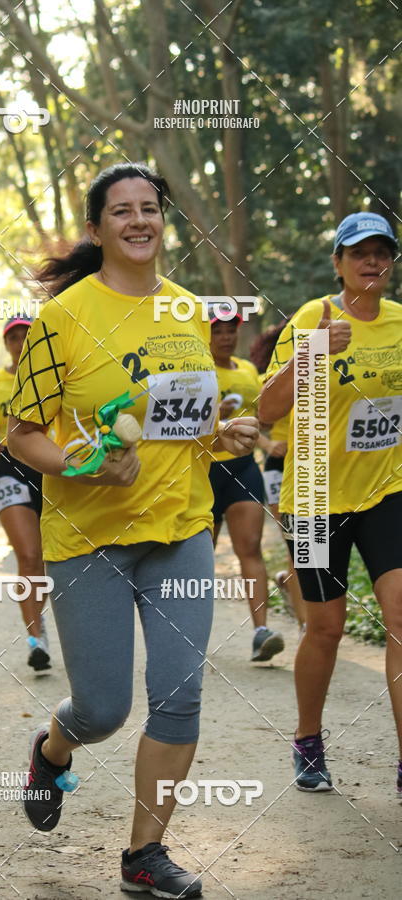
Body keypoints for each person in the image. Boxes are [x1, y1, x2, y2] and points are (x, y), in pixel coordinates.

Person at [6, 163, 259, 898]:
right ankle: (53, 750)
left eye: (151, 208)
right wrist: (84, 467)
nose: (140, 221)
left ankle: (145, 855)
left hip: (179, 529)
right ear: (97, 230)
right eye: (122, 211)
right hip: (89, 540)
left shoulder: (187, 312)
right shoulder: (63, 318)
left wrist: (224, 433)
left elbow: (179, 421)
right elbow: (21, 435)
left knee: (179, 696)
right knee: (103, 710)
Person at [259, 211, 402, 795]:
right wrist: (313, 352)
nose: (371, 261)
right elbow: (268, 409)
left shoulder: (399, 322)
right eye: (359, 252)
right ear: (338, 263)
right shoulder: (312, 318)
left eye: (382, 252)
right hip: (316, 494)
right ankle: (308, 739)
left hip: (387, 490)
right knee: (326, 629)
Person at [0, 317, 50, 673]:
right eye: (13, 337)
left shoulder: (53, 375)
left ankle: (40, 621)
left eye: (26, 335)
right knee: (29, 556)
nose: (20, 342)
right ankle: (36, 639)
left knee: (47, 558)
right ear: (6, 344)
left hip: (51, 469)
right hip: (8, 468)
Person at [208, 312, 285, 662]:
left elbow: (264, 419)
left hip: (242, 469)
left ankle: (260, 632)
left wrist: (268, 444)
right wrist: (215, 415)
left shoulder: (248, 372)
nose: (225, 337)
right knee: (197, 559)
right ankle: (187, 636)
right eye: (218, 331)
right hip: (203, 470)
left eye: (230, 331)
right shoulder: (197, 370)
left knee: (250, 547)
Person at [249, 321, 305, 633]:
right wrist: (270, 443)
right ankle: (305, 626)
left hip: (311, 467)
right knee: (294, 547)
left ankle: (287, 583)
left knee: (307, 550)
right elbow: (256, 422)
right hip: (278, 466)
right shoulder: (265, 380)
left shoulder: (320, 371)